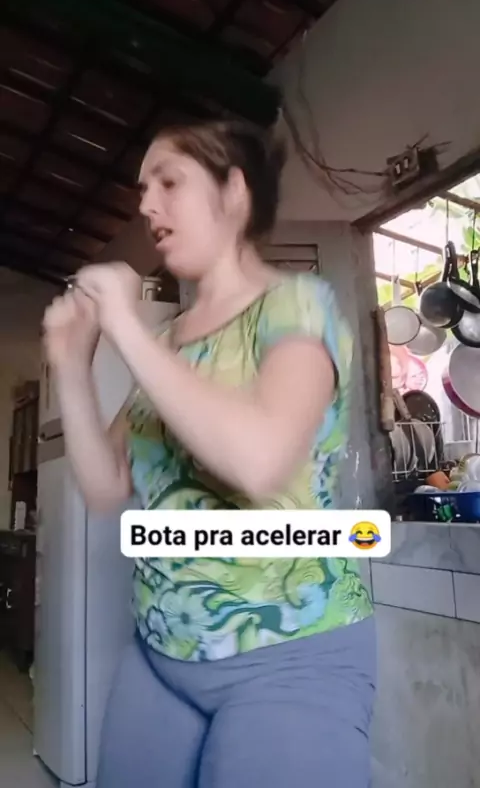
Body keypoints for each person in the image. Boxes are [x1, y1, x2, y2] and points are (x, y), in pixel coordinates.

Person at [43, 118, 376, 788]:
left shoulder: (297, 306)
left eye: (168, 182)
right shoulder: (167, 345)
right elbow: (107, 486)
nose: (146, 205)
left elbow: (260, 462)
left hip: (290, 656)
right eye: (143, 189)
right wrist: (72, 365)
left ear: (234, 192)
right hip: (161, 651)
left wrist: (125, 327)